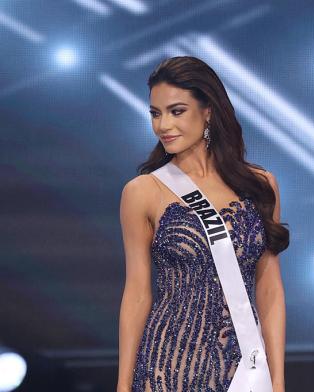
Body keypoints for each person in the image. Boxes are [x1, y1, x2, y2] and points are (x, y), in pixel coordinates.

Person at [117, 56, 289, 392]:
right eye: (155, 113)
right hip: (167, 368)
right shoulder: (143, 191)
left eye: (176, 111)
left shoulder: (259, 184)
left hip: (244, 366)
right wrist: (123, 385)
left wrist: (278, 379)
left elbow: (270, 288)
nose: (163, 125)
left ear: (208, 110)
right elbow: (137, 293)